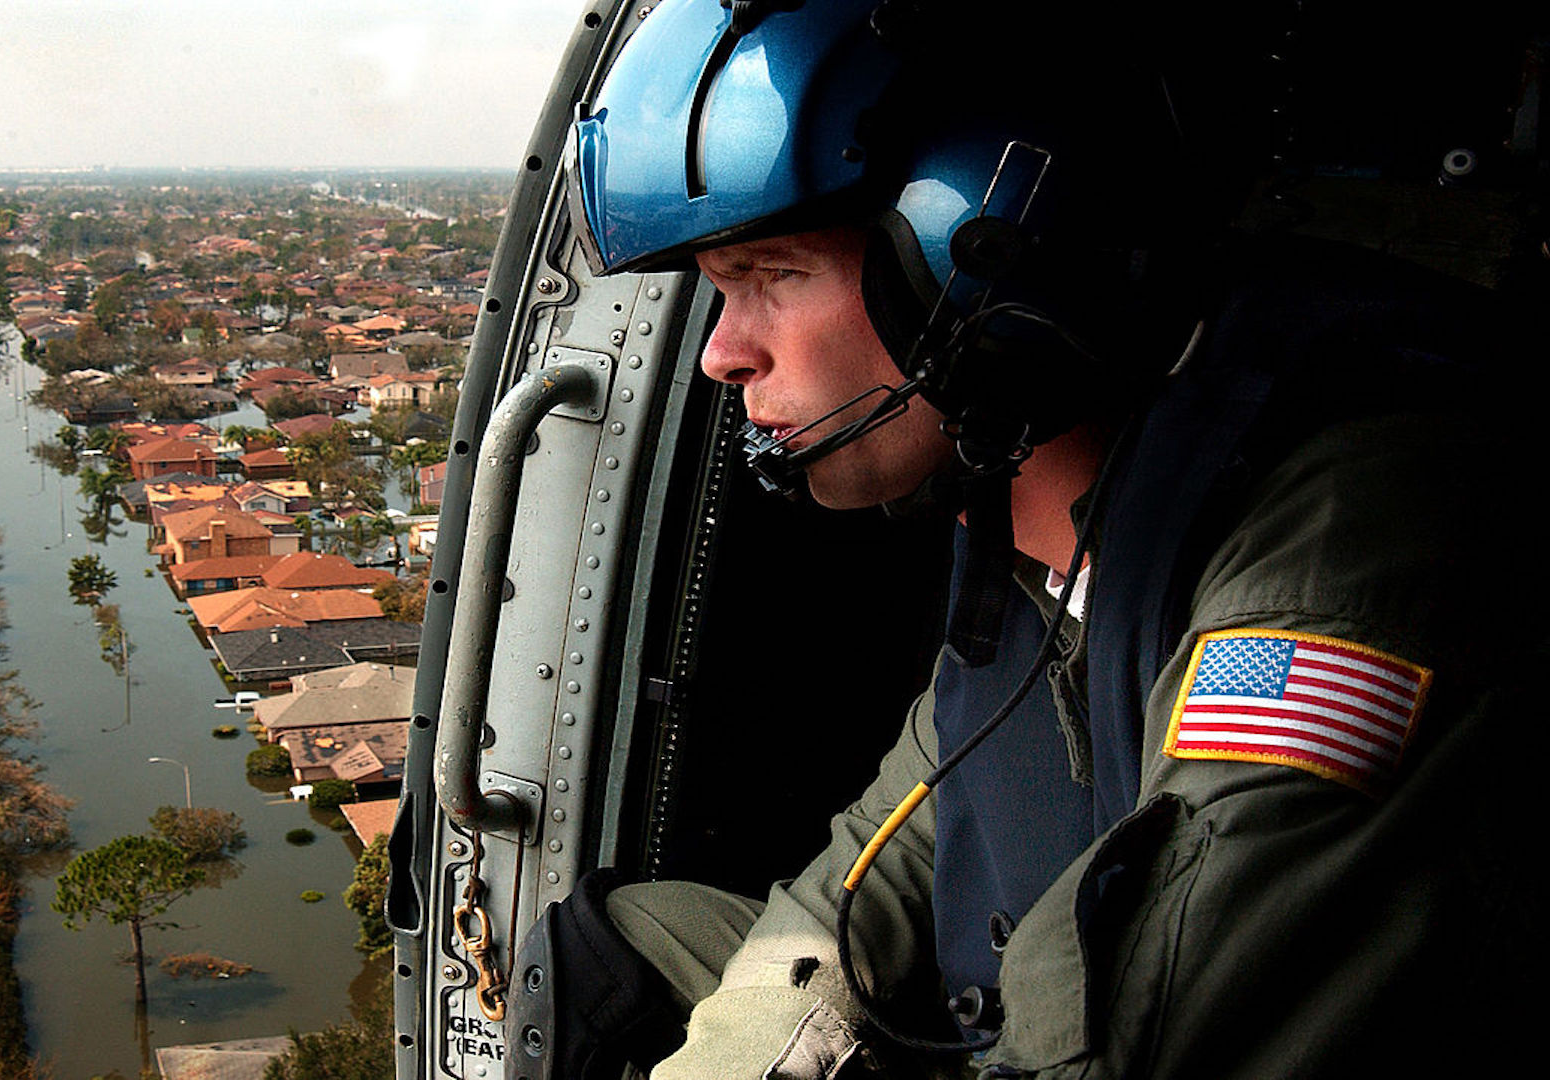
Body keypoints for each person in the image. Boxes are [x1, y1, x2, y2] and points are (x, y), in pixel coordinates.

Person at [523, 1, 1547, 1077]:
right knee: (612, 954)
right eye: (720, 291)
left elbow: (1145, 1026)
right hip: (1013, 1024)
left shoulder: (1345, 523)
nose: (721, 356)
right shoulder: (1020, 519)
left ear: (978, 249)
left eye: (774, 275)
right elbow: (899, 836)